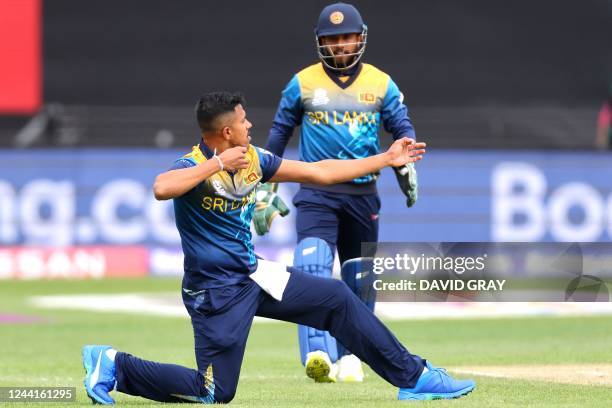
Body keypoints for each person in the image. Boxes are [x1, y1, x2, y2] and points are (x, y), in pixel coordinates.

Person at [81, 92, 474, 404]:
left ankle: (415, 377)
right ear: (226, 133)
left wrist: (385, 158)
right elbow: (161, 187)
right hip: (215, 292)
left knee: (336, 297)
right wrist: (216, 166)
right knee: (214, 392)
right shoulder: (191, 164)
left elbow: (319, 172)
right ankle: (113, 365)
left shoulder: (254, 160)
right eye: (243, 121)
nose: (250, 124)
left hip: (253, 274)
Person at [252, 2, 418, 382]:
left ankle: (352, 356)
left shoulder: (381, 83)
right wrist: (264, 186)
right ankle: (316, 353)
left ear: (360, 38)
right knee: (311, 263)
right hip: (315, 192)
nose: (340, 45)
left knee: (359, 277)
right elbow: (278, 135)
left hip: (363, 195)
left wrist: (406, 160)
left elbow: (401, 128)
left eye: (346, 38)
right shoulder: (302, 83)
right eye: (332, 39)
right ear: (320, 42)